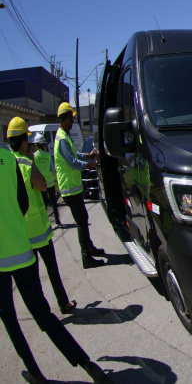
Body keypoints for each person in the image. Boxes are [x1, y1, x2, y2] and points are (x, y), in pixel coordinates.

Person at [0, 143, 111, 384]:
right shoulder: (8, 158)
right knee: (44, 315)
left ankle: (36, 375)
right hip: (21, 249)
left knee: (9, 319)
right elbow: (22, 201)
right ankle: (87, 363)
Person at [8, 119, 77, 316]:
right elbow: (43, 186)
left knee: (32, 277)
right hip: (38, 229)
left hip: (21, 231)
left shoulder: (7, 164)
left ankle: (42, 313)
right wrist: (31, 161)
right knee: (51, 270)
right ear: (23, 142)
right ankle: (63, 303)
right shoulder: (25, 163)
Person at [53, 103, 105, 269]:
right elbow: (73, 162)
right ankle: (86, 257)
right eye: (71, 118)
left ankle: (89, 248)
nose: (73, 121)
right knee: (82, 222)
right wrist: (90, 164)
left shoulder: (64, 136)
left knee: (83, 218)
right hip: (69, 189)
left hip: (73, 187)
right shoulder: (61, 139)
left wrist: (88, 155)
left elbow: (75, 154)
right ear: (64, 118)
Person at [31, 134, 60, 226]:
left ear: (36, 145)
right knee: (54, 203)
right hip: (50, 183)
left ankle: (45, 223)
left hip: (40, 185)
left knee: (43, 205)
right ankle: (57, 221)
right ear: (44, 144)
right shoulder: (48, 156)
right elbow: (53, 170)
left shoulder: (34, 156)